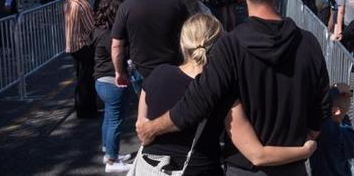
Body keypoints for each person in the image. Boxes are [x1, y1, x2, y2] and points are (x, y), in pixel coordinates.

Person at [136, 0, 330, 175]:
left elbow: (195, 104)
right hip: (292, 162)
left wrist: (151, 127)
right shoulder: (308, 42)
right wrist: (307, 141)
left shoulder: (229, 46)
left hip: (244, 166)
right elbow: (321, 104)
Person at [133, 13, 315, 175]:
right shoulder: (221, 91)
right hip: (199, 168)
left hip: (149, 167)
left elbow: (142, 125)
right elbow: (256, 154)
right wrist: (304, 151)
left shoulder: (157, 74)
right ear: (222, 44)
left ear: (183, 43)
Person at [111, 0, 188, 87]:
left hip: (140, 70)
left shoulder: (126, 7)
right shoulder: (176, 5)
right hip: (171, 67)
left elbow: (116, 46)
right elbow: (187, 36)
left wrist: (119, 72)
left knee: (145, 104)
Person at [92, 0, 132, 173]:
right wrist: (121, 73)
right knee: (115, 120)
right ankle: (112, 160)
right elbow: (120, 53)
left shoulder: (98, 30)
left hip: (100, 81)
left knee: (109, 118)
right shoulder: (111, 35)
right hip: (112, 81)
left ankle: (108, 151)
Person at [64, 0, 97, 118]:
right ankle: (87, 110)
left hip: (71, 44)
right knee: (86, 79)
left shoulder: (68, 0)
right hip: (82, 44)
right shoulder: (83, 4)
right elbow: (91, 27)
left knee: (80, 78)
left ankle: (81, 108)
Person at [309, 83, 354, 176]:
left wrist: (335, 91)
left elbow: (318, 107)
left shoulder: (324, 128)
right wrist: (345, 120)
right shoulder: (344, 131)